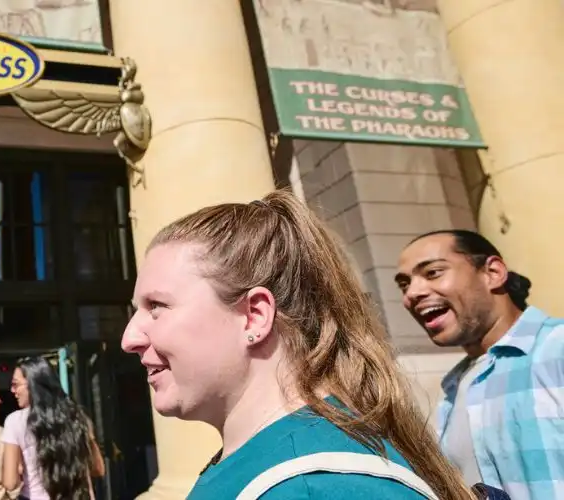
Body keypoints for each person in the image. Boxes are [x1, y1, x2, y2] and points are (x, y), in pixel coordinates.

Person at [123, 190, 475, 499]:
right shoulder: (268, 462)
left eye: (157, 307)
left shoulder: (316, 487)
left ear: (254, 316)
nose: (129, 339)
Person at [397, 229, 563, 499]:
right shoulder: (453, 388)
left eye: (433, 272)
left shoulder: (556, 347)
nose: (412, 293)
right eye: (404, 284)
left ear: (493, 273)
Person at [2, 357, 105, 500]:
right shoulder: (78, 417)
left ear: (32, 385)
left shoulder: (14, 422)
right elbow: (98, 469)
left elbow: (10, 482)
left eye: (16, 384)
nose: (12, 390)